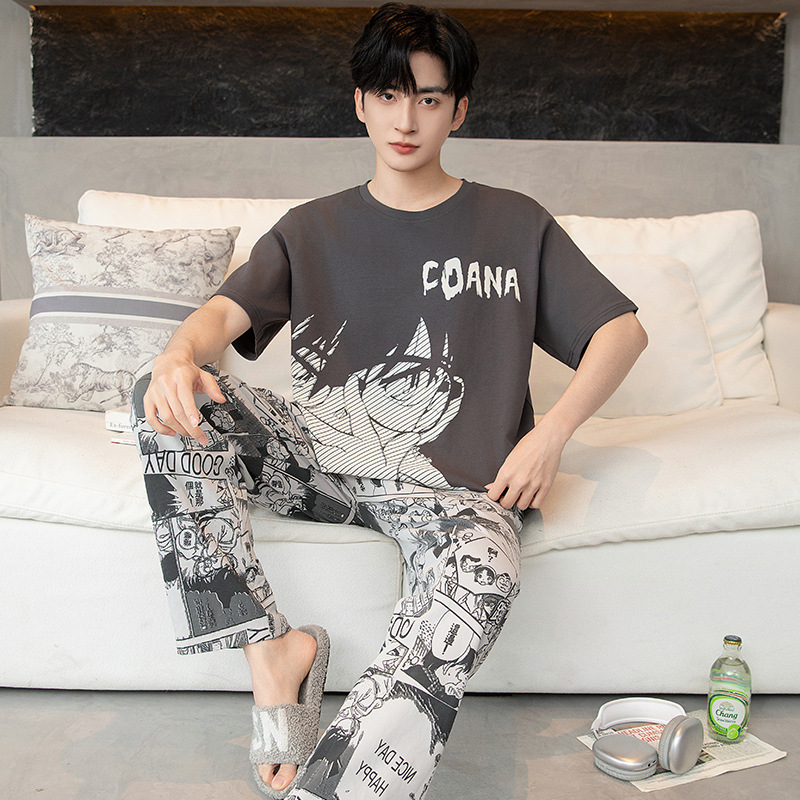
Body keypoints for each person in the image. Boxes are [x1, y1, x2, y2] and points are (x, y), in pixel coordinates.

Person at [131, 4, 648, 799]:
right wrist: (175, 355)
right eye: (388, 95)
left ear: (459, 110)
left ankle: (334, 791)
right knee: (161, 393)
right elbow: (220, 318)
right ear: (360, 102)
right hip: (323, 466)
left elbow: (621, 331)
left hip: (460, 495)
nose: (406, 120)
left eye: (429, 99)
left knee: (480, 580)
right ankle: (271, 655)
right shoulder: (312, 227)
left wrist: (551, 435)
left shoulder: (514, 223)